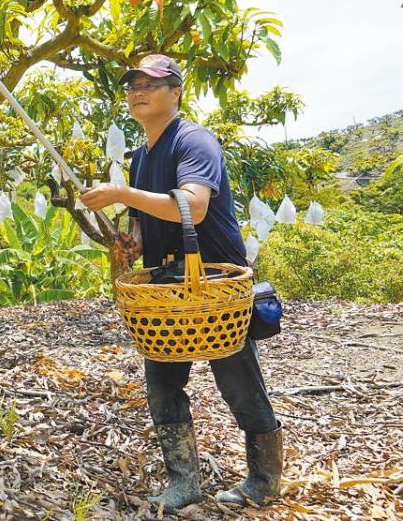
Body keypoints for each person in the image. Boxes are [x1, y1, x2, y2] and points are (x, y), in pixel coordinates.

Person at [79, 54, 283, 510]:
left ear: (176, 92)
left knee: (237, 380)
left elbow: (192, 206)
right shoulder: (140, 156)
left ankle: (265, 478)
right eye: (132, 84)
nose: (137, 90)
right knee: (163, 381)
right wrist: (131, 240)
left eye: (152, 83)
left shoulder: (194, 141)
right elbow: (141, 219)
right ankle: (183, 479)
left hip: (213, 282)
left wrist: (120, 193)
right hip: (167, 285)